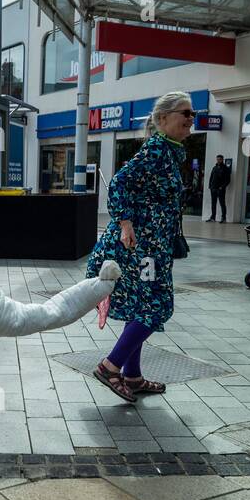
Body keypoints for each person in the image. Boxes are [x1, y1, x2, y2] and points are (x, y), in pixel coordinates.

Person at [86, 91, 192, 403]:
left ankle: (131, 375)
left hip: (153, 247)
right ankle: (110, 367)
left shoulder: (170, 153)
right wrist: (125, 223)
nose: (190, 119)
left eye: (193, 115)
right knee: (158, 305)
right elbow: (119, 183)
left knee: (144, 305)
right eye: (184, 113)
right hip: (140, 248)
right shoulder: (157, 151)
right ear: (163, 119)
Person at [207, 154, 230, 222]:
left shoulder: (225, 168)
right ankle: (213, 217)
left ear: (222, 160)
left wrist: (222, 187)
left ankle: (223, 218)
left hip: (220, 189)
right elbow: (211, 177)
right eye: (217, 159)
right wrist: (210, 186)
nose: (218, 160)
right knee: (213, 203)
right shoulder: (214, 168)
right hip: (213, 188)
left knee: (222, 203)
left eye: (219, 159)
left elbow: (228, 180)